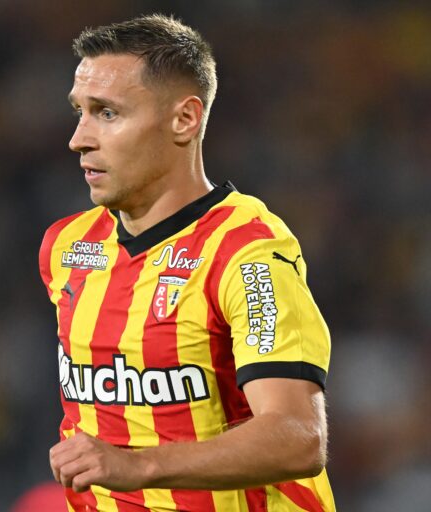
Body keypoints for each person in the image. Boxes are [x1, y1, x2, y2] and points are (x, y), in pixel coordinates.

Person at [38, 14, 335, 512]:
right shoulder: (67, 245)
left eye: (107, 113)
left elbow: (297, 436)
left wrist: (138, 465)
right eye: (80, 111)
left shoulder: (247, 250)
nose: (79, 138)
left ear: (184, 119)